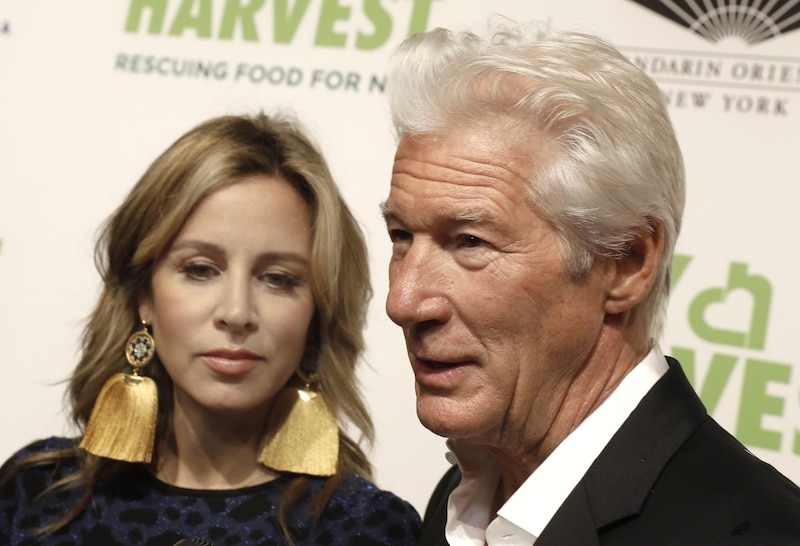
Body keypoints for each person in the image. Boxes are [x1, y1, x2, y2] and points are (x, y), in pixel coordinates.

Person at [380, 20, 800, 545]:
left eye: (470, 242)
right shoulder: (465, 495)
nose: (403, 301)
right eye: (401, 235)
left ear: (626, 263)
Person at [1, 112, 422, 545]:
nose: (237, 312)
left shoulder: (368, 529)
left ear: (318, 312)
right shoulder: (36, 499)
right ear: (144, 294)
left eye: (278, 278)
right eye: (200, 270)